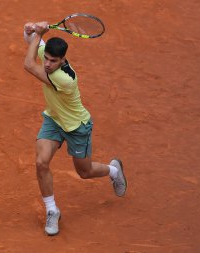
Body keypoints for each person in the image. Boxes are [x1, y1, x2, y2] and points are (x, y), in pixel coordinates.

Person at [23, 21, 127, 236]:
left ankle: (114, 171)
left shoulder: (65, 78)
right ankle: (52, 211)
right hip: (53, 120)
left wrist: (39, 34)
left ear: (63, 60)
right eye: (47, 59)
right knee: (41, 162)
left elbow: (29, 64)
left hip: (76, 127)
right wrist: (30, 31)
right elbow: (34, 44)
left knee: (85, 172)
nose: (48, 64)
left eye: (53, 61)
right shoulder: (49, 58)